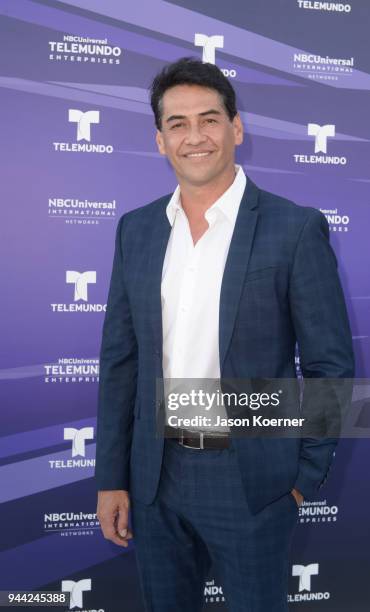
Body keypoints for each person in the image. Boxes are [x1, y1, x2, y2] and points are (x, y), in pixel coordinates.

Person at [95, 57, 354, 612]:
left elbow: (330, 364)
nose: (195, 137)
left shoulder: (294, 227)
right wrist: (112, 477)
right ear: (160, 141)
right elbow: (121, 360)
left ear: (236, 129)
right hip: (153, 476)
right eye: (178, 124)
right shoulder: (136, 230)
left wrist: (302, 476)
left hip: (251, 480)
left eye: (209, 120)